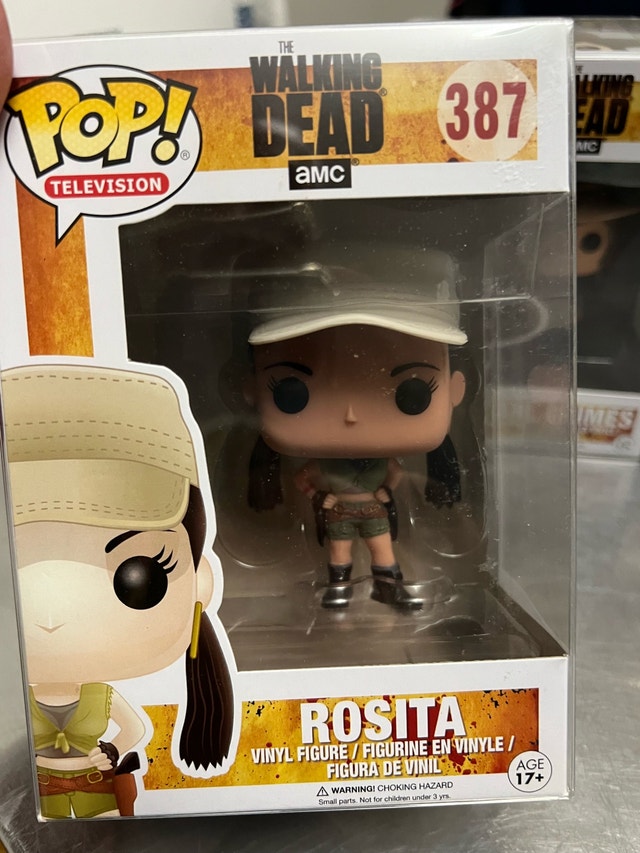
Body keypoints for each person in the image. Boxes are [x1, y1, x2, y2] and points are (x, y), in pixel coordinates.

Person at [2, 364, 235, 818]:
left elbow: (132, 732)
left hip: (94, 789)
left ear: (200, 582)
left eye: (138, 577)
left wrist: (110, 751)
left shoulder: (99, 698)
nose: (50, 617)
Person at [245, 245, 467, 610]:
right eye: (292, 394)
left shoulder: (375, 463)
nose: (350, 414)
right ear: (249, 390)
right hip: (341, 512)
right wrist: (320, 497)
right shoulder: (326, 465)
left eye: (411, 394)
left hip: (371, 510)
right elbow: (304, 478)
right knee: (340, 550)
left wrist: (386, 491)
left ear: (456, 389)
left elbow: (394, 473)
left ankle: (387, 589)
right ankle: (341, 590)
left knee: (382, 549)